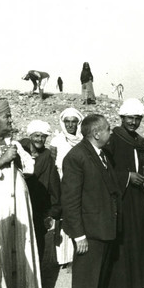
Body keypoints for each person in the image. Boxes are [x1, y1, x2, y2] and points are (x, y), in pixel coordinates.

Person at [61, 114, 121, 288]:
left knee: (97, 283)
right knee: (85, 286)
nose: (110, 133)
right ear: (96, 133)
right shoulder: (76, 157)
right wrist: (79, 236)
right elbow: (70, 200)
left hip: (104, 228)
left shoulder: (101, 153)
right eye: (108, 129)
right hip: (89, 233)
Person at [103, 98, 144, 288]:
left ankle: (136, 282)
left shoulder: (139, 141)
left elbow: (138, 164)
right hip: (121, 197)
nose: (133, 122)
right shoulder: (113, 139)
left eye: (137, 119)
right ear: (122, 118)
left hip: (137, 197)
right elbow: (105, 169)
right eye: (129, 119)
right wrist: (128, 177)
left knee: (137, 237)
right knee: (123, 241)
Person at [0, 99, 42, 288]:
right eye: (6, 116)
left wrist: (18, 152)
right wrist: (0, 161)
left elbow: (30, 167)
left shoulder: (12, 144)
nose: (10, 119)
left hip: (18, 203)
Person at [20, 120, 61, 264]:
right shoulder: (20, 151)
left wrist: (53, 210)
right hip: (20, 204)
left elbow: (53, 182)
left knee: (38, 243)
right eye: (36, 135)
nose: (40, 139)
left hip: (38, 206)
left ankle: (38, 282)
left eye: (43, 136)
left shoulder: (47, 157)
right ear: (30, 135)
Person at [49, 107, 85, 270]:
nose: (70, 125)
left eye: (74, 122)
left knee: (78, 217)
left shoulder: (84, 140)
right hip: (61, 182)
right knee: (63, 220)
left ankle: (76, 258)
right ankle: (63, 258)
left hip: (80, 184)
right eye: (67, 122)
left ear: (78, 123)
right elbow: (52, 164)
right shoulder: (56, 141)